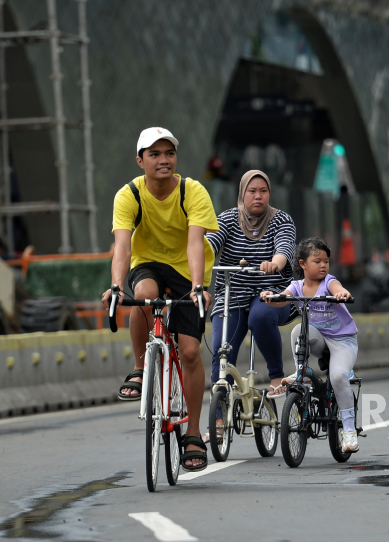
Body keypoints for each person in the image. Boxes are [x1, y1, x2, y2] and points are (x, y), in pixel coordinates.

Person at [101, 127, 218, 472]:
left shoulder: (191, 191)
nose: (163, 160)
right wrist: (116, 285)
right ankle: (140, 368)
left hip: (187, 271)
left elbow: (196, 242)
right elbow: (123, 245)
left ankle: (193, 433)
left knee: (192, 351)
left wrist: (198, 286)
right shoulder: (129, 196)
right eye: (154, 154)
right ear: (140, 161)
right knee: (143, 296)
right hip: (148, 264)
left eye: (169, 153)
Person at [205, 169, 297, 401]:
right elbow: (209, 245)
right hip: (232, 295)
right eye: (252, 191)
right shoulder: (225, 219)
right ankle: (218, 417)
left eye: (263, 191)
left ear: (269, 194)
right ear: (242, 193)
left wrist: (274, 264)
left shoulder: (282, 220)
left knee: (260, 316)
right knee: (221, 349)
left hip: (272, 292)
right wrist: (195, 259)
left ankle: (277, 378)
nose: (258, 196)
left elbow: (284, 249)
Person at [261, 237, 360, 452]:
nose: (323, 265)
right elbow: (283, 298)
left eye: (326, 261)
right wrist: (271, 296)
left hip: (342, 340)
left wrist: (341, 294)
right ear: (303, 264)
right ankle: (301, 372)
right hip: (319, 338)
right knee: (298, 330)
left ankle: (349, 432)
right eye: (317, 261)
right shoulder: (297, 286)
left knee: (337, 377)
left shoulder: (329, 282)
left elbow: (338, 288)